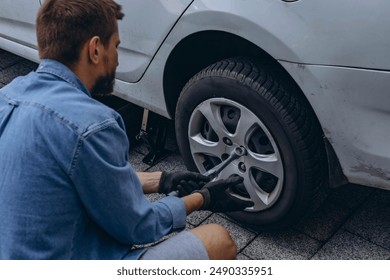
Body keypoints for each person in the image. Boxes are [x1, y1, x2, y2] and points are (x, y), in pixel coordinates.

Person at [0, 0, 253, 260]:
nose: (118, 58)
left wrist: (163, 180)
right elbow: (138, 227)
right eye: (116, 47)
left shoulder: (6, 96)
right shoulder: (92, 125)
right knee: (217, 240)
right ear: (95, 49)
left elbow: (87, 175)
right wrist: (204, 198)